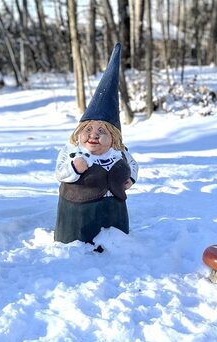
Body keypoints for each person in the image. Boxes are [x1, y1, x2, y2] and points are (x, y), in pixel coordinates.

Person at [54, 43, 139, 249]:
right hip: (78, 213)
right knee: (79, 238)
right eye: (89, 130)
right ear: (79, 131)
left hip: (114, 210)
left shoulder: (120, 153)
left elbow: (134, 165)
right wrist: (74, 168)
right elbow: (60, 172)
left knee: (115, 235)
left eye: (102, 132)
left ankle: (115, 242)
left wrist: (131, 178)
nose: (93, 135)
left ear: (114, 137)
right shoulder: (72, 150)